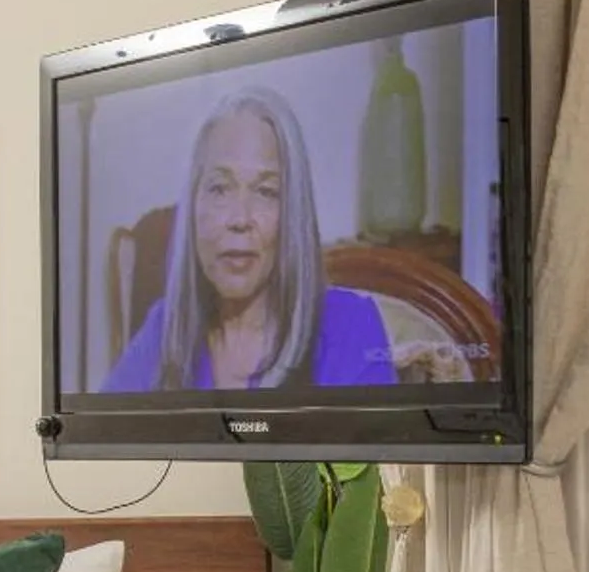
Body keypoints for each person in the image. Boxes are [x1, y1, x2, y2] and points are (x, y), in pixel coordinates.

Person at [101, 88, 395, 391]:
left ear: (293, 213)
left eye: (266, 192)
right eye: (219, 189)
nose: (239, 219)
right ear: (192, 207)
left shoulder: (352, 326)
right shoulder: (163, 329)